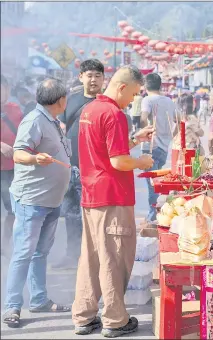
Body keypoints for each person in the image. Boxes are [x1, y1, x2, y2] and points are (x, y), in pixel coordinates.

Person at [72, 66, 155, 338]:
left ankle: (84, 315)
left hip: (92, 194)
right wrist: (141, 161)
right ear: (121, 87)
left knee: (92, 256)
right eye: (132, 94)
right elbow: (118, 161)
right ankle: (115, 319)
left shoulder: (91, 110)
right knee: (114, 257)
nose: (132, 101)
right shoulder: (114, 114)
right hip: (112, 196)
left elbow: (104, 149)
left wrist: (133, 139)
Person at [3, 78, 71, 327]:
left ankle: (39, 299)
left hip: (51, 198)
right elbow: (19, 152)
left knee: (41, 251)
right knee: (24, 252)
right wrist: (34, 159)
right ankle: (12, 305)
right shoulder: (33, 120)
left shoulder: (51, 120)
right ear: (61, 100)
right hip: (32, 199)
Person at [55, 59, 105, 269]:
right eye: (89, 75)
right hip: (72, 166)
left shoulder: (108, 103)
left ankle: (94, 255)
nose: (93, 80)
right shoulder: (70, 101)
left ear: (103, 79)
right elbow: (60, 130)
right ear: (81, 77)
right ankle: (72, 253)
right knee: (72, 213)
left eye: (97, 76)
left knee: (96, 214)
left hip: (97, 169)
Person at [139, 73, 176, 224]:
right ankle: (158, 213)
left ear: (146, 86)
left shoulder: (147, 100)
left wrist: (143, 132)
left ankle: (153, 216)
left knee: (151, 184)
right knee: (157, 182)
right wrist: (170, 137)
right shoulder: (169, 101)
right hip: (163, 147)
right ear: (160, 85)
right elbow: (178, 120)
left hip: (150, 147)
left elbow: (143, 118)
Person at [1, 75, 23, 254]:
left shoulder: (15, 109)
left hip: (11, 169)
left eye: (4, 88)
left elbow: (24, 133)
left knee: (12, 209)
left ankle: (5, 245)